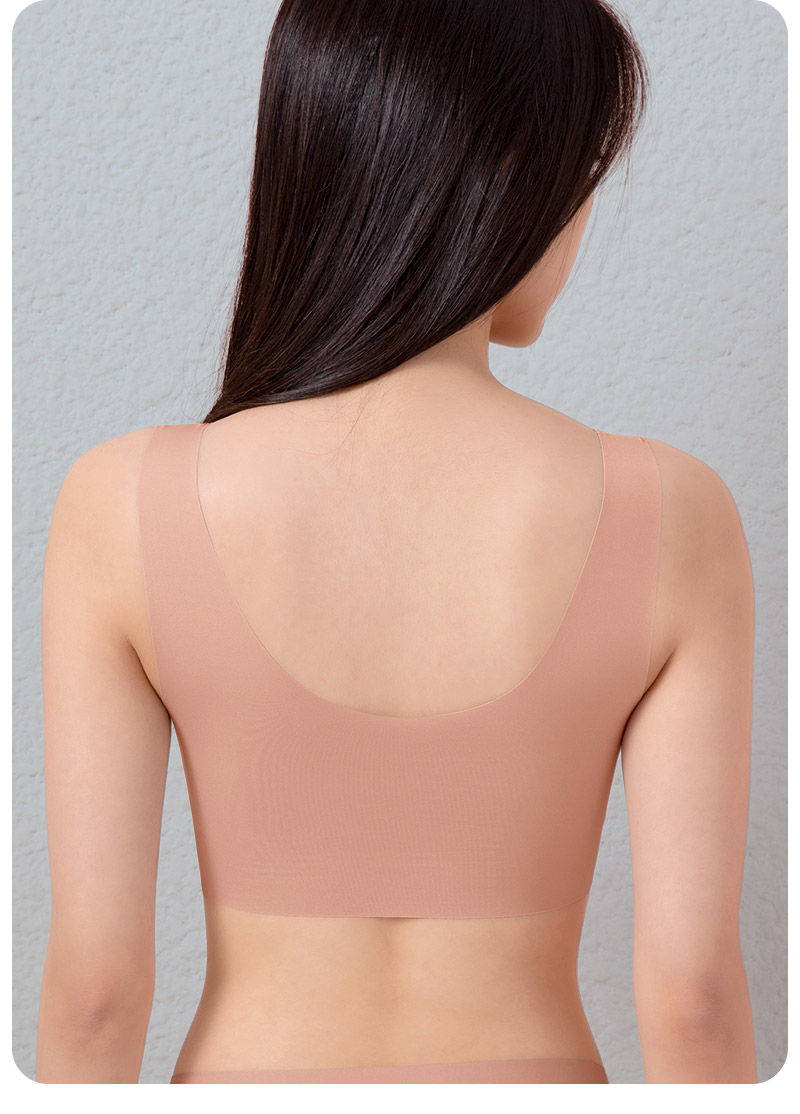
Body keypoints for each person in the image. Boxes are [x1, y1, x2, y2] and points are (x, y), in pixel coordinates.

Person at [35, 0, 757, 1085]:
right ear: (502, 176)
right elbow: (693, 996)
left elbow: (96, 989)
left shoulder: (122, 502)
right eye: (582, 169)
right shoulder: (672, 511)